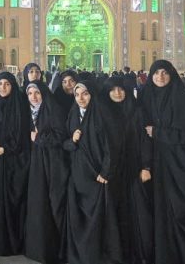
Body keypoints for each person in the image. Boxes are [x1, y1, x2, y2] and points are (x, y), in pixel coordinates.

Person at [140, 60, 185, 263]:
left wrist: (159, 133)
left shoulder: (182, 101)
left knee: (179, 211)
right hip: (154, 167)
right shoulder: (146, 97)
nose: (160, 77)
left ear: (171, 75)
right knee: (157, 213)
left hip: (177, 167)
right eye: (156, 73)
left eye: (164, 72)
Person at [63, 81, 122, 264]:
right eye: (77, 94)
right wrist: (72, 141)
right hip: (78, 175)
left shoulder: (102, 114)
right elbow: (65, 144)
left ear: (93, 95)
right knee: (80, 218)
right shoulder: (73, 114)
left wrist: (105, 172)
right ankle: (82, 255)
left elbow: (112, 145)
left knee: (97, 218)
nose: (80, 98)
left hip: (97, 176)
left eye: (85, 93)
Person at [103, 76, 154, 264]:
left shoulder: (137, 112)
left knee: (137, 211)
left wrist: (146, 166)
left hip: (134, 168)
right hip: (114, 171)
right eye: (113, 90)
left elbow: (145, 141)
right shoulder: (104, 112)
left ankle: (139, 252)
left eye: (121, 89)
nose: (117, 93)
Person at [0, 72, 31, 257]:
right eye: (0, 83)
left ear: (13, 86)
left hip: (14, 162)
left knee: (13, 203)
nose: (2, 87)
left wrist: (7, 149)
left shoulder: (20, 105)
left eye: (7, 84)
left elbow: (23, 135)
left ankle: (14, 242)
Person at [24, 81, 69, 264]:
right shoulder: (29, 112)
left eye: (37, 93)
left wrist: (39, 137)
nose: (34, 97)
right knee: (39, 203)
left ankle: (60, 250)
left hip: (54, 164)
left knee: (55, 204)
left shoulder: (54, 109)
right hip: (38, 164)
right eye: (30, 93)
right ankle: (41, 249)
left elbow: (61, 136)